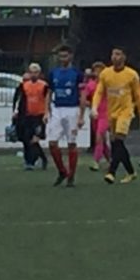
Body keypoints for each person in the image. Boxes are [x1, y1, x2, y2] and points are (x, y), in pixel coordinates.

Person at [91, 48, 140, 184]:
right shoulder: (106, 73)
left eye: (118, 54)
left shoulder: (132, 75)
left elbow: (138, 97)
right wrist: (94, 107)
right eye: (113, 54)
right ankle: (131, 172)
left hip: (125, 112)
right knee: (117, 144)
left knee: (119, 141)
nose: (115, 57)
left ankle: (111, 172)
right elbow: (99, 92)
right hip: (112, 113)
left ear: (124, 57)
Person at [46, 46, 86, 187]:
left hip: (72, 109)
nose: (62, 59)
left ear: (70, 57)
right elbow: (49, 92)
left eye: (65, 56)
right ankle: (62, 171)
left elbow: (82, 95)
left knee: (71, 143)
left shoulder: (77, 73)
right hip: (57, 109)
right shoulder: (53, 73)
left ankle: (71, 176)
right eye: (60, 56)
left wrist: (81, 115)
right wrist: (46, 111)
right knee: (52, 143)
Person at [14, 63, 51, 171]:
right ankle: (29, 161)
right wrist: (16, 111)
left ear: (39, 74)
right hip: (27, 115)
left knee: (35, 139)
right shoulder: (24, 85)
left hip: (39, 115)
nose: (34, 75)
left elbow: (48, 100)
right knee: (26, 139)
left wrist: (47, 113)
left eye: (36, 72)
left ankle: (42, 158)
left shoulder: (44, 85)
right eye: (31, 72)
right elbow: (20, 99)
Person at [87, 62, 110, 171]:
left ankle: (96, 161)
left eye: (100, 70)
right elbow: (85, 98)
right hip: (95, 115)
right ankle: (111, 160)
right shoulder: (91, 85)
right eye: (96, 71)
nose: (98, 73)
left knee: (99, 137)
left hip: (105, 114)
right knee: (102, 140)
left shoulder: (108, 84)